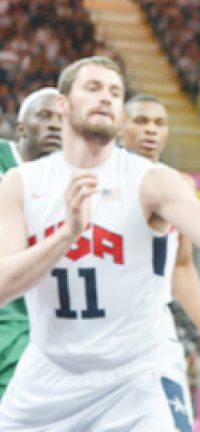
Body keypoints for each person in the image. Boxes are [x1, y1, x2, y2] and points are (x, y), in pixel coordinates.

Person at [0, 56, 200, 430]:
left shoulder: (152, 181)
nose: (106, 97)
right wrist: (67, 235)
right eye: (93, 88)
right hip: (49, 373)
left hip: (136, 374)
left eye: (115, 92)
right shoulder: (21, 184)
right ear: (63, 105)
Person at [120, 94, 200, 377]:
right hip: (105, 321)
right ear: (119, 128)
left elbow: (182, 266)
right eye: (140, 121)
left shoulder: (182, 185)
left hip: (153, 327)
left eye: (159, 123)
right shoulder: (102, 179)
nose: (151, 130)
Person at [0, 87, 62, 400]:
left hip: (37, 317)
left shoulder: (75, 179)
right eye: (45, 116)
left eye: (62, 119)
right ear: (21, 128)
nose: (55, 125)